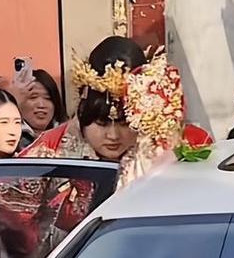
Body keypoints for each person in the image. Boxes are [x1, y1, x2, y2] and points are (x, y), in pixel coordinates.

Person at [21, 36, 181, 188]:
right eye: (101, 123)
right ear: (83, 113)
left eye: (124, 123)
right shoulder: (49, 150)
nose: (113, 135)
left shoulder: (165, 152)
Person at [10, 68, 67, 147]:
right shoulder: (11, 138)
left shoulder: (67, 134)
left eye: (47, 98)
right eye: (33, 97)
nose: (41, 105)